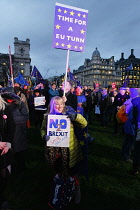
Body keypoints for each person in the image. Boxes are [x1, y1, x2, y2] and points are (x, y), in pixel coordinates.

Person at [40, 96, 87, 204]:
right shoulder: (48, 117)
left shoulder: (69, 115)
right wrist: (44, 136)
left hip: (69, 149)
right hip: (55, 150)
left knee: (73, 173)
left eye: (61, 104)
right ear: (52, 105)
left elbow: (84, 123)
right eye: (56, 104)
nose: (59, 106)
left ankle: (76, 194)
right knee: (58, 171)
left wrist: (76, 117)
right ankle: (59, 193)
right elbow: (42, 129)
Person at [1, 87, 29, 176]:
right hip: (6, 133)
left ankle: (21, 169)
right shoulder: (2, 105)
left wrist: (12, 121)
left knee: (19, 152)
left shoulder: (19, 104)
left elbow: (25, 116)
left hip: (19, 132)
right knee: (8, 151)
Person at [0, 94, 15, 209]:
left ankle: (2, 199)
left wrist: (8, 144)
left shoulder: (5, 108)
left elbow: (11, 127)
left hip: (4, 149)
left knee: (4, 175)